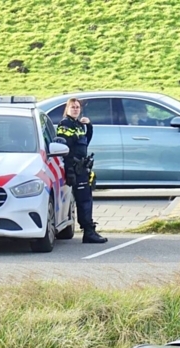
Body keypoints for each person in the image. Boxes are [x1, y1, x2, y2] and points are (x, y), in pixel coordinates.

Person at [57, 98, 107, 244]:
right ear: (67, 109)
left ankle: (89, 230)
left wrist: (89, 127)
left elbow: (84, 143)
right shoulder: (65, 125)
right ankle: (88, 232)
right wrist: (70, 170)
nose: (75, 109)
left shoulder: (78, 125)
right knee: (83, 201)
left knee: (86, 199)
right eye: (72, 107)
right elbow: (66, 149)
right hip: (74, 168)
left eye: (77, 107)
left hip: (82, 168)